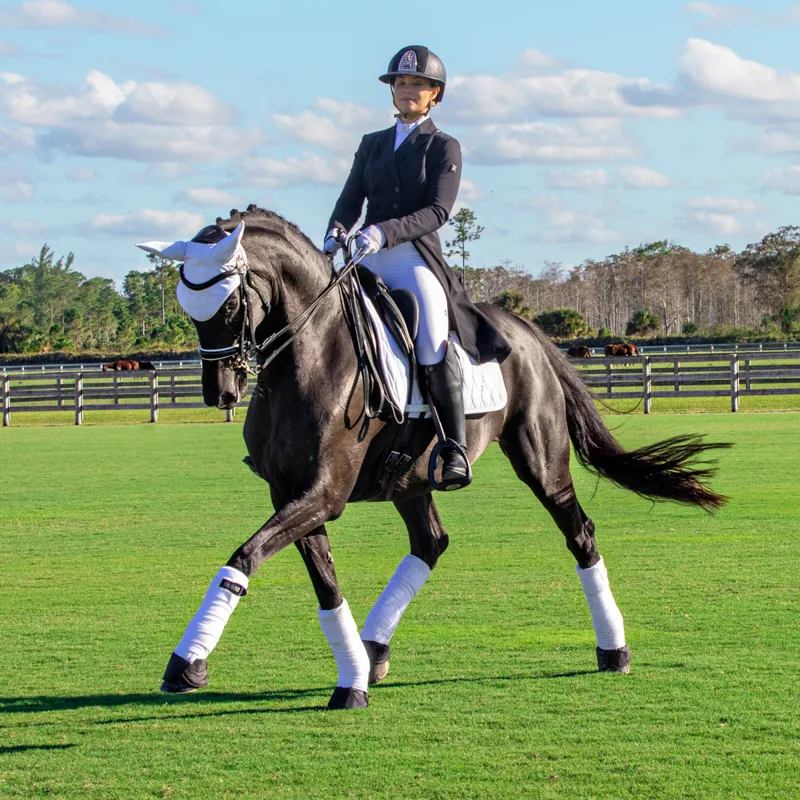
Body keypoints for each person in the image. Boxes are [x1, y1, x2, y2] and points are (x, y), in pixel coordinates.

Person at [323, 45, 511, 489]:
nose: (407, 90)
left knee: (431, 342)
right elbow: (350, 200)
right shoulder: (371, 144)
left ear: (435, 95)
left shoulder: (443, 146)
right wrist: (335, 232)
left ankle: (454, 448)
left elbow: (438, 211)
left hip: (413, 258)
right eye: (401, 83)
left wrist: (384, 232)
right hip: (366, 257)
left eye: (418, 85)